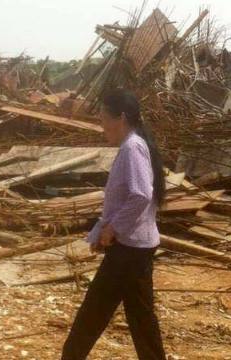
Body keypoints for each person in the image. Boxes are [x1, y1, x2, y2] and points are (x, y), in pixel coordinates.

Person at [61, 89, 167, 360]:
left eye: (103, 118)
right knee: (141, 317)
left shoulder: (132, 147)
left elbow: (141, 195)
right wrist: (101, 230)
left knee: (92, 314)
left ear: (121, 117)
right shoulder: (136, 144)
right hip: (137, 246)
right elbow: (125, 200)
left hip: (128, 249)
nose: (101, 125)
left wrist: (112, 230)